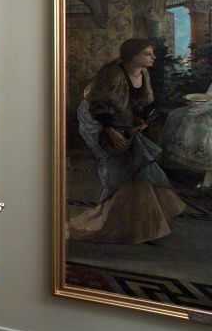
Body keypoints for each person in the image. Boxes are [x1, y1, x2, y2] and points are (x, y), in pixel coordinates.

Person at [70, 38, 185, 244]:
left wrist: (140, 120)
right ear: (133, 55)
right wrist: (110, 130)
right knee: (117, 169)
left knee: (138, 168)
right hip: (98, 121)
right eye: (148, 54)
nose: (153, 57)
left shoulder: (143, 73)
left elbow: (140, 103)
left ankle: (141, 225)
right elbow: (98, 105)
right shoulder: (113, 74)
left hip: (122, 122)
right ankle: (110, 222)